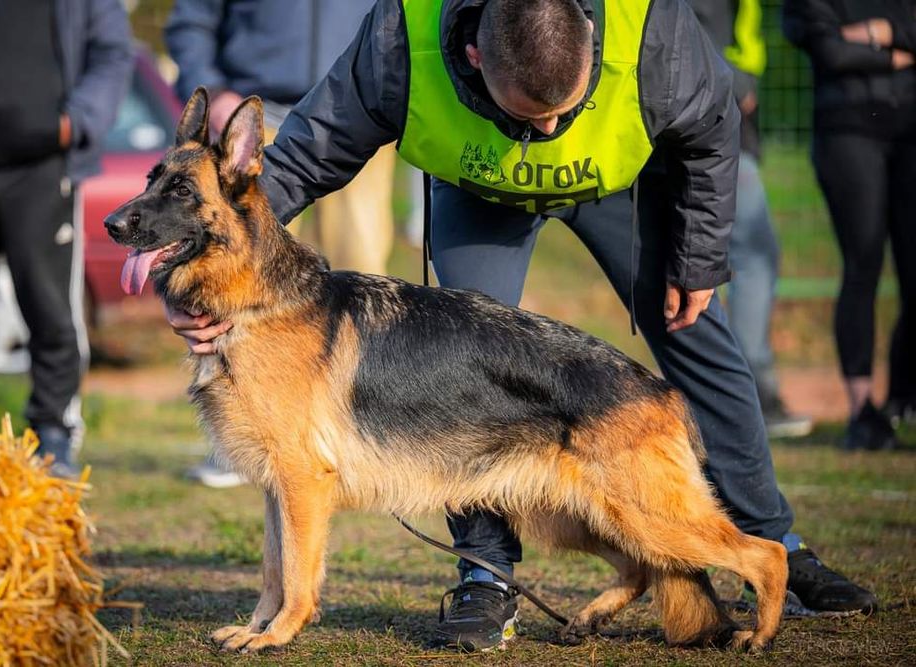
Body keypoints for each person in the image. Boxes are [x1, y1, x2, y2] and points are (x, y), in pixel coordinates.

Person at [167, 0, 879, 650]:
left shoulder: (651, 33)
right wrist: (218, 282)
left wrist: (697, 257)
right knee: (456, 374)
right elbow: (298, 158)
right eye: (530, 114)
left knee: (698, 335)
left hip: (619, 186)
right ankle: (486, 576)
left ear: (591, 45)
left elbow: (713, 126)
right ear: (474, 57)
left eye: (562, 110)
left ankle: (775, 537)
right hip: (482, 186)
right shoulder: (399, 37)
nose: (546, 131)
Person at [165, 0, 397, 488]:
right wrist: (212, 85)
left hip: (357, 116)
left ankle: (352, 436)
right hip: (252, 119)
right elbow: (191, 20)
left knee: (357, 290)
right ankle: (242, 436)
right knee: (241, 286)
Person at [0, 0, 133, 477]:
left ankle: (53, 435)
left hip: (40, 170)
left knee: (51, 311)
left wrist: (74, 123)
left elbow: (113, 52)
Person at [784, 0, 915, 450]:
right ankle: (862, 410)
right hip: (847, 130)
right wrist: (896, 44)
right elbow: (830, 53)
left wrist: (868, 32)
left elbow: (843, 45)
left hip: (911, 128)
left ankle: (902, 398)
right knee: (863, 264)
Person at [690, 0, 814, 440]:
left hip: (722, 114)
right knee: (749, 256)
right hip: (707, 114)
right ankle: (751, 397)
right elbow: (675, 25)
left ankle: (732, 401)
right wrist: (735, 80)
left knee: (737, 259)